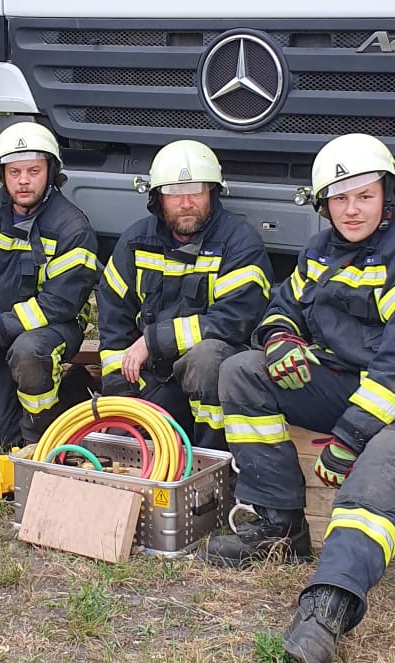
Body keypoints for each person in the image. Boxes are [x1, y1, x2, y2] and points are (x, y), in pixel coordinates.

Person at [211, 134, 395, 663]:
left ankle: (325, 610)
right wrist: (282, 339)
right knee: (243, 372)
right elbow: (281, 306)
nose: (351, 209)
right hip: (355, 386)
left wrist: (350, 437)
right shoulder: (322, 250)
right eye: (338, 199)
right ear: (323, 205)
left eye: (363, 196)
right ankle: (279, 525)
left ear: (389, 194)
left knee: (380, 461)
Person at [97, 140, 271, 448]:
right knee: (119, 446)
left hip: (213, 378)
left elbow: (234, 321)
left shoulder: (239, 244)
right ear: (157, 198)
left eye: (197, 191)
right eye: (174, 193)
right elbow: (114, 325)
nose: (187, 202)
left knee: (207, 358)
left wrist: (153, 340)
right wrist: (121, 390)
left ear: (213, 192)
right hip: (154, 377)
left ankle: (212, 458)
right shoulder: (134, 243)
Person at [0, 121, 99, 448]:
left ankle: (40, 434)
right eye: (14, 172)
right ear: (1, 175)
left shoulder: (72, 227)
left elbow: (60, 303)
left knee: (29, 352)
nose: (24, 181)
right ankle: (63, 393)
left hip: (52, 329)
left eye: (34, 171)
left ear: (51, 172)